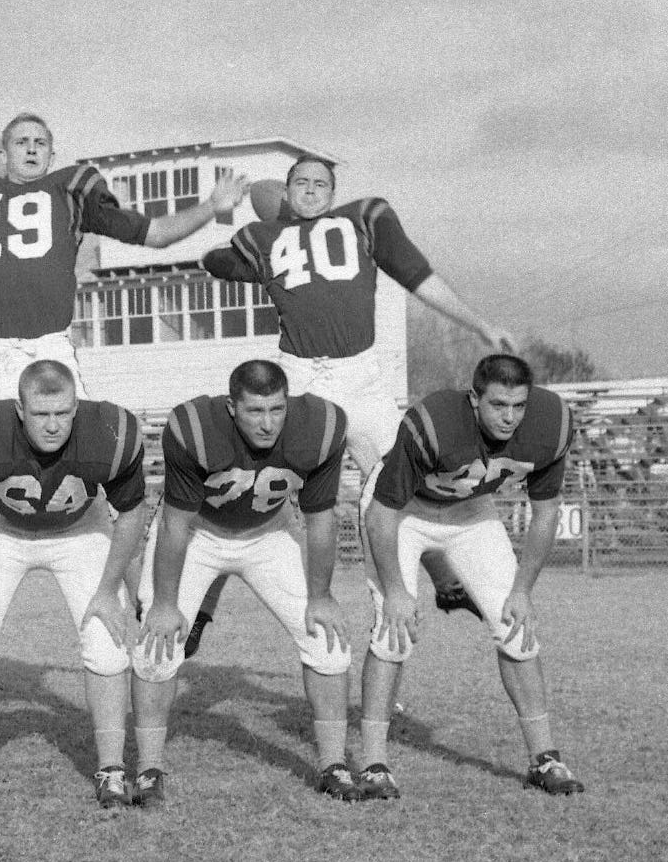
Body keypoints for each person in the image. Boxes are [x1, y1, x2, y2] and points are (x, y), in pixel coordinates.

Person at [193, 154, 516, 654]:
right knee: (247, 484)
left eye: (321, 182)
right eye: (300, 182)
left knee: (411, 481)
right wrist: (247, 218)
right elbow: (212, 261)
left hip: (361, 378)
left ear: (334, 190)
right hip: (301, 379)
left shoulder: (364, 218)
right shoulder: (268, 239)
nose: (311, 190)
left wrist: (476, 323)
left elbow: (417, 274)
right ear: (286, 191)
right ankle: (201, 610)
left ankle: (447, 582)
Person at [119, 360, 356, 806]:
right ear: (231, 408)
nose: (268, 423)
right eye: (255, 411)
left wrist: (321, 596)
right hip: (199, 534)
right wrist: (166, 604)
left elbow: (322, 518)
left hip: (269, 531)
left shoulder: (321, 426)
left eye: (277, 409)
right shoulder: (194, 427)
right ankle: (149, 770)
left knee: (328, 640)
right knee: (157, 645)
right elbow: (175, 525)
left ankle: (334, 765)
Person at [0, 112, 248, 416]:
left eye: (40, 143)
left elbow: (156, 233)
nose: (31, 150)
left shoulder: (70, 193)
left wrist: (212, 206)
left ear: (52, 156)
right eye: (21, 143)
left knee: (79, 447)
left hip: (47, 347)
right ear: (3, 156)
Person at [360, 353, 585, 799]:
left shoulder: (552, 422)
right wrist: (396, 591)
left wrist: (523, 589)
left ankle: (544, 758)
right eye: (499, 405)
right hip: (403, 511)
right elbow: (381, 515)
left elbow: (546, 512)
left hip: (470, 513)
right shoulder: (434, 420)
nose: (510, 417)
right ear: (474, 397)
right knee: (393, 630)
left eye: (519, 406)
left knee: (515, 627)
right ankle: (372, 763)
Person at [0, 361, 149, 809]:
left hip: (80, 528)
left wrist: (110, 590)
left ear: (77, 407)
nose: (53, 426)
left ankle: (111, 769)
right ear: (19, 409)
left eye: (63, 413)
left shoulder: (110, 432)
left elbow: (133, 513)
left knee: (108, 642)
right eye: (41, 415)